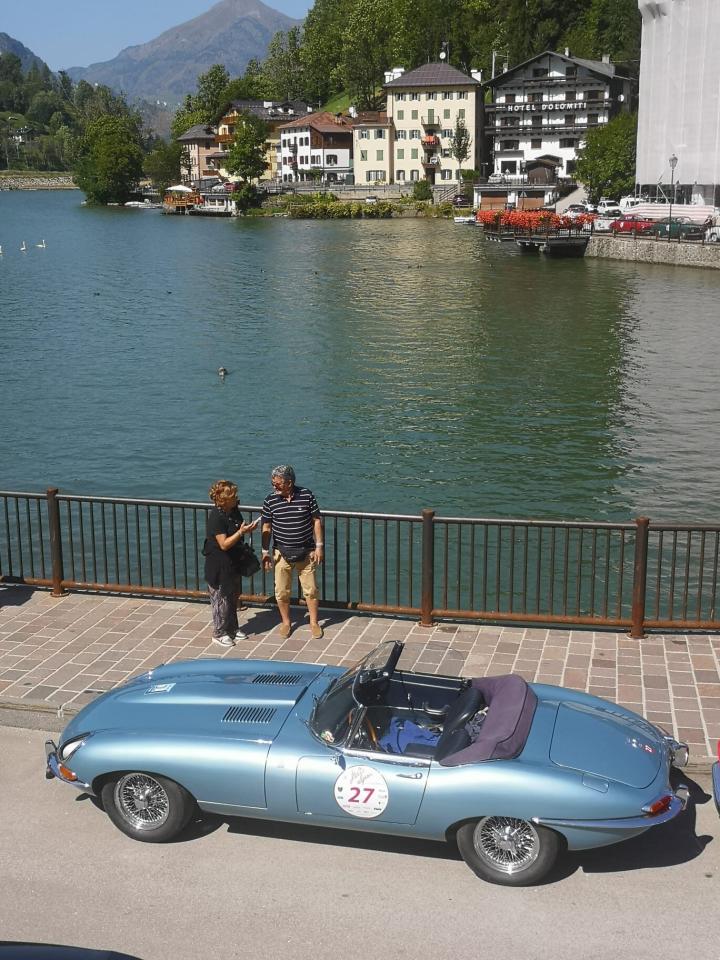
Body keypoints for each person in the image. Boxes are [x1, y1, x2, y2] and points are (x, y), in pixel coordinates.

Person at [260, 465, 324, 640]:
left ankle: (314, 622)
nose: (274, 487)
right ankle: (286, 622)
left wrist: (319, 546)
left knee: (310, 590)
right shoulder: (270, 500)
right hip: (281, 553)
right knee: (281, 591)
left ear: (289, 482)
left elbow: (316, 521)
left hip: (307, 552)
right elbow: (266, 526)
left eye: (278, 484)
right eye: (273, 484)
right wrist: (265, 551)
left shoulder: (306, 495)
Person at [203, 479, 259, 646]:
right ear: (224, 499)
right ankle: (219, 632)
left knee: (233, 596)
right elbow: (224, 544)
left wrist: (246, 529)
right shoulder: (216, 517)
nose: (237, 497)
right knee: (220, 598)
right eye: (234, 495)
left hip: (233, 561)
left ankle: (233, 628)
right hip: (218, 564)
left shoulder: (233, 510)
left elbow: (238, 528)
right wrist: (241, 532)